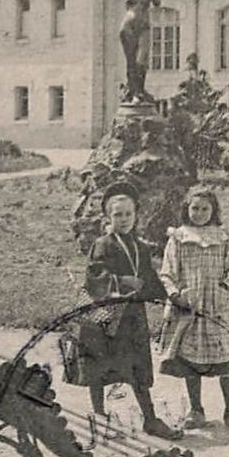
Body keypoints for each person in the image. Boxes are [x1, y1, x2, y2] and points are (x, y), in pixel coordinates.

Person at [74, 182, 181, 440]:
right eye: (117, 215)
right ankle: (99, 416)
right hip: (106, 315)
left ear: (136, 214)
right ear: (108, 217)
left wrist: (171, 296)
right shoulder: (103, 244)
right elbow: (95, 275)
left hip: (133, 317)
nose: (123, 220)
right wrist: (121, 281)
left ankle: (151, 419)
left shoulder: (140, 246)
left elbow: (149, 278)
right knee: (100, 364)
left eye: (128, 214)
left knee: (138, 366)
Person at [158, 185, 229, 432]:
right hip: (189, 306)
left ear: (214, 210)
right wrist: (176, 295)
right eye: (195, 208)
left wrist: (225, 288)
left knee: (226, 356)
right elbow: (167, 272)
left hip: (218, 306)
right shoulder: (178, 237)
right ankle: (196, 409)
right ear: (186, 209)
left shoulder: (224, 236)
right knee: (191, 358)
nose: (199, 213)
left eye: (205, 208)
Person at [112, 0, 161, 104]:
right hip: (128, 27)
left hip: (143, 27)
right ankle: (135, 92)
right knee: (131, 62)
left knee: (142, 60)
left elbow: (157, 2)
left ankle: (139, 90)